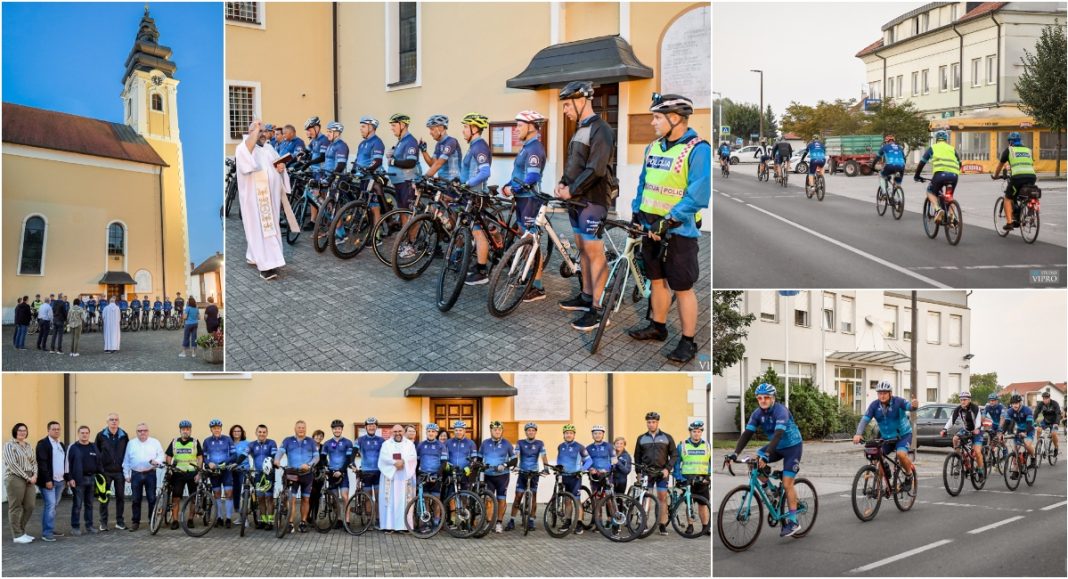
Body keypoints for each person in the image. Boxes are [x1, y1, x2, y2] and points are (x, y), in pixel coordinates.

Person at [628, 93, 709, 363]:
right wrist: (636, 213)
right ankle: (658, 327)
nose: (652, 122)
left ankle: (688, 342)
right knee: (656, 280)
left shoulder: (698, 149)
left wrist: (669, 221)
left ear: (674, 119)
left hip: (678, 231)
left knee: (682, 287)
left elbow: (697, 195)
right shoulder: (653, 148)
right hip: (650, 226)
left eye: (657, 117)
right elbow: (644, 183)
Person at [555, 81, 614, 331]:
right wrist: (562, 183)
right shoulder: (581, 128)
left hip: (593, 200)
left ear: (582, 101)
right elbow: (574, 164)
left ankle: (600, 310)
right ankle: (586, 296)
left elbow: (596, 169)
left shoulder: (601, 129)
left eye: (568, 104)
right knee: (582, 248)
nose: (565, 109)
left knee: (594, 252)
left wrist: (572, 189)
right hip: (577, 201)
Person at [727, 385, 802, 537]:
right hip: (776, 447)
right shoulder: (757, 413)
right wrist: (735, 453)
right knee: (752, 462)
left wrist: (766, 455)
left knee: (787, 484)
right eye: (759, 398)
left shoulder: (781, 411)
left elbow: (778, 434)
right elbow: (747, 434)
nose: (763, 400)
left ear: (773, 398)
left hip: (792, 447)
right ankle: (772, 492)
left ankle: (794, 521)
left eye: (766, 397)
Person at [501, 110, 549, 301]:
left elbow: (532, 176)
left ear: (531, 127)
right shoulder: (527, 147)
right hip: (522, 198)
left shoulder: (535, 148)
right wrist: (509, 185)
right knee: (525, 239)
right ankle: (528, 276)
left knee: (532, 243)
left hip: (529, 199)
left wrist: (513, 189)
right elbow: (520, 174)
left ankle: (537, 286)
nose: (516, 129)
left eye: (520, 125)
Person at [236, 120, 291, 281]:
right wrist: (255, 129)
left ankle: (255, 256)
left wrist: (281, 169)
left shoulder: (268, 147)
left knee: (268, 229)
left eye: (263, 131)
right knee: (261, 230)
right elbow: (247, 165)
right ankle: (266, 266)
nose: (262, 134)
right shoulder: (244, 149)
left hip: (271, 199)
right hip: (255, 201)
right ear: (250, 132)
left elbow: (277, 165)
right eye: (258, 131)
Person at [853, 381, 918, 486]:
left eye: (884, 393)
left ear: (890, 393)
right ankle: (884, 486)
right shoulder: (874, 405)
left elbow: (909, 407)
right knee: (876, 456)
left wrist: (914, 406)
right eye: (880, 393)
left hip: (903, 436)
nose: (882, 396)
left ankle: (909, 475)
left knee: (900, 454)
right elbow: (865, 420)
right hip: (887, 438)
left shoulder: (898, 401)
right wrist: (858, 433)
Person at [457, 112, 495, 286]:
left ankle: (482, 271)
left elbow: (485, 172)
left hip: (476, 195)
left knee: (478, 233)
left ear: (474, 129)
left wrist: (468, 183)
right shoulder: (473, 145)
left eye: (466, 127)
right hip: (469, 194)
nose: (463, 130)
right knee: (474, 230)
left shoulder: (479, 146)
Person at [634, 411, 677, 536]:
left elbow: (674, 455)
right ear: (646, 423)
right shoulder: (641, 438)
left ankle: (662, 524)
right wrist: (638, 472)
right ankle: (644, 522)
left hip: (662, 472)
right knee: (646, 497)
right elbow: (637, 456)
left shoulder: (667, 437)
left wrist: (667, 469)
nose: (651, 424)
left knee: (662, 497)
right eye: (649, 422)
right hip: (647, 472)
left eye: (653, 422)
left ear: (658, 423)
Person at [386, 113, 422, 255]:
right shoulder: (401, 141)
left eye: (394, 125)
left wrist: (393, 161)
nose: (392, 128)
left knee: (410, 214)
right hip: (400, 182)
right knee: (403, 213)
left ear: (403, 125)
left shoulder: (410, 141)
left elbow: (410, 162)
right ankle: (406, 241)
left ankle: (412, 245)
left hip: (408, 181)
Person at [275, 420, 319, 533]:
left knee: (305, 499)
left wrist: (309, 465)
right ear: (295, 429)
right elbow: (280, 451)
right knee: (292, 499)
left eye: (303, 427)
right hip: (292, 473)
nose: (301, 429)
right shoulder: (288, 440)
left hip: (307, 475)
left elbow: (316, 457)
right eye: (299, 427)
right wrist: (277, 460)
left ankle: (303, 522)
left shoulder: (311, 442)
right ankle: (290, 523)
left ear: (306, 429)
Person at [991, 131, 1037, 230]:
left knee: (1008, 197)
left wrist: (995, 176)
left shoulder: (1009, 150)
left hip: (1017, 177)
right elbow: (1026, 163)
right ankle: (1028, 211)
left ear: (1010, 142)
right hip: (1031, 176)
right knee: (1025, 195)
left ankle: (1009, 223)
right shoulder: (1028, 150)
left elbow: (1000, 165)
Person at [506, 422, 547, 532]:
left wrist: (546, 468)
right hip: (522, 472)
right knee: (518, 496)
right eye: (529, 430)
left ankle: (531, 520)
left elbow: (543, 456)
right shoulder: (520, 442)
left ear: (535, 432)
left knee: (533, 496)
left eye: (533, 430)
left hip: (534, 473)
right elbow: (517, 455)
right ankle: (512, 520)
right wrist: (516, 466)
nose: (531, 432)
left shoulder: (539, 443)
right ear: (526, 432)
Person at [122, 422, 164, 531]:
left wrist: (157, 461)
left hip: (150, 473)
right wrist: (126, 474)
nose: (142, 433)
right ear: (136, 432)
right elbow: (126, 460)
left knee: (151, 498)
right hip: (135, 474)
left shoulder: (155, 442)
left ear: (148, 431)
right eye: (140, 431)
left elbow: (161, 455)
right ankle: (135, 522)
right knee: (136, 499)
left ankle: (152, 520)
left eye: (144, 430)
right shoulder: (131, 443)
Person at [913, 130, 961, 224]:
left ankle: (938, 209)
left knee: (930, 191)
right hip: (954, 175)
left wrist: (917, 175)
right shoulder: (952, 148)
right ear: (946, 139)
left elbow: (922, 162)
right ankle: (951, 217)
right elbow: (960, 163)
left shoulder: (933, 148)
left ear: (936, 139)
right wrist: (954, 172)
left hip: (940, 175)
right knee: (949, 196)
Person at [674, 420, 711, 536]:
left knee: (703, 504)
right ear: (690, 432)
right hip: (688, 479)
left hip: (702, 479)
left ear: (701, 432)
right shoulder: (682, 445)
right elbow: (676, 464)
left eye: (699, 431)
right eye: (694, 431)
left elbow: (710, 462)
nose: (696, 434)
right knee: (689, 503)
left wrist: (709, 476)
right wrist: (679, 477)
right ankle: (690, 526)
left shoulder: (707, 445)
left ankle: (705, 527)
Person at [164, 420, 203, 530]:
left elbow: (200, 458)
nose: (185, 431)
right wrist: (169, 467)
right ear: (180, 431)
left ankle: (190, 519)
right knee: (175, 497)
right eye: (183, 429)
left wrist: (199, 472)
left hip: (192, 473)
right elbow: (168, 456)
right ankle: (175, 520)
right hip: (178, 473)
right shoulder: (174, 441)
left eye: (187, 429)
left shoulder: (195, 442)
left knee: (193, 497)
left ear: (190, 430)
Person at [378, 425, 416, 533]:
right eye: (395, 431)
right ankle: (389, 526)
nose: (397, 433)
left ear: (403, 432)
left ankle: (404, 526)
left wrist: (403, 461)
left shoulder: (409, 444)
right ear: (391, 432)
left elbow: (413, 457)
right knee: (389, 502)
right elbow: (383, 458)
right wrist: (395, 463)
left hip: (404, 477)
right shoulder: (386, 444)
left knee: (404, 501)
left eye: (400, 431)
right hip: (391, 476)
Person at [94, 413, 129, 531]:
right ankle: (103, 523)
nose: (114, 422)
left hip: (119, 472)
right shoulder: (100, 436)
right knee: (104, 498)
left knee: (120, 497)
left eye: (116, 420)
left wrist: (126, 470)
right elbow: (96, 453)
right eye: (111, 420)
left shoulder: (124, 436)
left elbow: (127, 453)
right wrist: (99, 470)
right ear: (107, 422)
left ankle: (120, 522)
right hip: (105, 472)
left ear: (119, 422)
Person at [555, 424, 591, 534]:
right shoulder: (560, 446)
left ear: (574, 435)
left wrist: (582, 470)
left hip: (575, 477)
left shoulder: (580, 447)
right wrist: (558, 468)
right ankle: (568, 521)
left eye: (571, 433)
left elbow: (589, 461)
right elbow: (559, 459)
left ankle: (579, 524)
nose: (568, 435)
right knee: (567, 501)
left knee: (577, 500)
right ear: (563, 435)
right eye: (566, 433)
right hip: (564, 477)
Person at [5, 423, 39, 544]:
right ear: (15, 431)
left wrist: (34, 475)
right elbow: (12, 464)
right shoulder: (9, 445)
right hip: (15, 477)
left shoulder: (28, 445)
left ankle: (22, 531)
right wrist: (27, 477)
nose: (22, 432)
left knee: (30, 506)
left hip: (30, 477)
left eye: (24, 430)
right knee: (15, 506)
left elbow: (34, 462)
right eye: (20, 430)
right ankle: (17, 535)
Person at [480, 421, 515, 533]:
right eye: (495, 430)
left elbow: (515, 460)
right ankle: (489, 523)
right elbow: (479, 459)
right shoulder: (485, 443)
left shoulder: (507, 443)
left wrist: (505, 465)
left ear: (502, 431)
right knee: (488, 499)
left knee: (501, 500)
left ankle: (499, 523)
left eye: (499, 430)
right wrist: (480, 467)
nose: (497, 432)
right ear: (491, 431)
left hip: (502, 476)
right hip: (488, 475)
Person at [66, 425, 101, 536]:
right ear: (78, 434)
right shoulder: (73, 447)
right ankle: (75, 527)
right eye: (82, 433)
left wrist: (101, 476)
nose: (84, 435)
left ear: (89, 434)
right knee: (77, 504)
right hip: (78, 480)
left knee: (90, 504)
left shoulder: (94, 447)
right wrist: (69, 478)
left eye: (86, 433)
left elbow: (99, 462)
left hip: (91, 479)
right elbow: (67, 464)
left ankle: (89, 526)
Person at [353, 116, 388, 226]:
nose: (361, 129)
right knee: (365, 205)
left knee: (374, 207)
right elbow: (357, 159)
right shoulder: (362, 143)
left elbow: (377, 161)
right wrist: (353, 170)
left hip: (372, 178)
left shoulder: (377, 142)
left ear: (371, 128)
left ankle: (376, 235)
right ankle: (370, 228)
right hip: (363, 178)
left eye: (363, 126)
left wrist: (367, 169)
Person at [311, 121, 348, 224]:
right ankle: (331, 228)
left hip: (338, 177)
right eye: (327, 131)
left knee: (335, 205)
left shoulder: (341, 146)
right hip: (329, 175)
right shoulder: (331, 145)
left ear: (337, 133)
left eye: (330, 131)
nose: (327, 133)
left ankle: (340, 233)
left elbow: (341, 165)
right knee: (326, 202)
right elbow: (327, 162)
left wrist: (332, 176)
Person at [36, 421, 67, 542]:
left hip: (60, 481)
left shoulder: (60, 444)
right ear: (48, 430)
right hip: (49, 482)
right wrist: (48, 480)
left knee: (53, 506)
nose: (56, 431)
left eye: (58, 429)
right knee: (50, 506)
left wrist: (66, 478)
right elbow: (42, 463)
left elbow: (64, 462)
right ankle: (46, 533)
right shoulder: (43, 444)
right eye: (54, 429)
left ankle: (50, 528)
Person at [203, 418, 237, 528]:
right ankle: (218, 518)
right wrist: (208, 463)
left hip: (226, 470)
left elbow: (234, 455)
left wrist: (225, 462)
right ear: (211, 430)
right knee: (216, 495)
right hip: (213, 472)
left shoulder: (227, 440)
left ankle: (227, 518)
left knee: (229, 494)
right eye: (214, 428)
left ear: (221, 429)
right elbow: (203, 457)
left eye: (218, 428)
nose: (216, 430)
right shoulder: (207, 441)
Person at [941, 391, 984, 474]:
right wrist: (944, 429)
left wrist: (977, 429)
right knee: (955, 439)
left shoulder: (975, 408)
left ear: (969, 400)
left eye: (964, 399)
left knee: (977, 452)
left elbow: (978, 420)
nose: (962, 401)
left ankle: (980, 470)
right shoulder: (959, 409)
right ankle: (960, 459)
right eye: (961, 400)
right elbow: (951, 420)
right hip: (966, 430)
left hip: (977, 430)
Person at [322, 419, 354, 529]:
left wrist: (341, 470)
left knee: (345, 497)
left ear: (342, 429)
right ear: (332, 429)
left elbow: (349, 458)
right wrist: (328, 469)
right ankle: (338, 519)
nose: (337, 430)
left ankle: (347, 520)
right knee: (334, 498)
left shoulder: (347, 442)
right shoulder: (327, 443)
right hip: (332, 474)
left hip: (343, 473)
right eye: (335, 428)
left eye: (339, 428)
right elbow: (322, 458)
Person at [247, 425, 278, 530]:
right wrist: (237, 463)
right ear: (256, 433)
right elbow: (244, 454)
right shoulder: (252, 444)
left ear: (267, 433)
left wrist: (273, 462)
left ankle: (270, 521)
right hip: (258, 474)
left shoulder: (271, 443)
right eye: (260, 432)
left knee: (269, 497)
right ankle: (263, 520)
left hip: (269, 474)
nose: (262, 434)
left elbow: (274, 455)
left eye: (264, 432)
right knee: (260, 498)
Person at [1000, 394, 1037, 474]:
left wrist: (1025, 432)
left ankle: (1033, 458)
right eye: (1013, 404)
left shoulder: (1027, 410)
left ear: (1020, 403)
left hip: (1029, 429)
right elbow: (1006, 423)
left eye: (1016, 403)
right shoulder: (1010, 411)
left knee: (1027, 445)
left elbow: (1029, 424)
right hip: (1019, 430)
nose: (1014, 405)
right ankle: (1016, 470)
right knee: (1015, 449)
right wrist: (1002, 433)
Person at [418, 114, 461, 181]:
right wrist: (424, 151)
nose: (430, 133)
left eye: (432, 129)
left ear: (440, 128)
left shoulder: (451, 141)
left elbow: (438, 164)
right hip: (443, 182)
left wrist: (424, 178)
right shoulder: (438, 144)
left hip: (453, 182)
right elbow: (433, 165)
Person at [355, 417, 384, 502]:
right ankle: (369, 515)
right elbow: (353, 452)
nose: (371, 428)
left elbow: (387, 454)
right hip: (365, 471)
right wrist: (352, 463)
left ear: (376, 427)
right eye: (369, 426)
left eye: (373, 426)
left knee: (379, 498)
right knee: (368, 498)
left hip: (378, 471)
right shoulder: (360, 440)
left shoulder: (381, 440)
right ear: (366, 427)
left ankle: (378, 516)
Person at [416, 423, 448, 500]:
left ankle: (438, 512)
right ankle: (427, 512)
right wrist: (417, 473)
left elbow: (444, 462)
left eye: (433, 431)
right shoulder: (421, 445)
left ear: (436, 433)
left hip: (436, 475)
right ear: (426, 432)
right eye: (429, 431)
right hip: (423, 475)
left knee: (436, 499)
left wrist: (437, 474)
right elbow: (417, 461)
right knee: (425, 498)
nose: (431, 433)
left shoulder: (441, 445)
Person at [445, 420, 477, 492]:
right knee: (451, 496)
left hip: (465, 473)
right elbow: (444, 457)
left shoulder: (471, 443)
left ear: (464, 431)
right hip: (451, 472)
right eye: (456, 430)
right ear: (453, 431)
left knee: (464, 495)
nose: (458, 432)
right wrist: (446, 465)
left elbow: (474, 458)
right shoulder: (448, 442)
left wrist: (469, 467)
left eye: (460, 430)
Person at [586, 425, 615, 500]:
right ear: (592, 435)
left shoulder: (609, 446)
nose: (597, 435)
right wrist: (590, 469)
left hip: (607, 475)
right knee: (597, 497)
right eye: (595, 433)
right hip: (594, 475)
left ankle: (612, 512)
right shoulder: (588, 448)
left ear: (603, 434)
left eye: (599, 433)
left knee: (609, 497)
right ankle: (597, 512)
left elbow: (614, 460)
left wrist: (607, 469)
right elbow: (585, 461)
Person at [229, 425, 250, 528]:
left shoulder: (246, 443)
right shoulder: (229, 443)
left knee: (243, 494)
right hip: (232, 471)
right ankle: (239, 515)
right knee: (235, 493)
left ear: (242, 433)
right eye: (235, 431)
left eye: (239, 431)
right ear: (232, 432)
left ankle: (245, 518)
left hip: (243, 470)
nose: (237, 433)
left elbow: (245, 455)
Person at [1034, 391, 1061, 458]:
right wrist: (1032, 421)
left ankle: (1056, 448)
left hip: (1054, 422)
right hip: (1045, 421)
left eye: (1046, 398)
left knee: (1053, 434)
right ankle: (1040, 446)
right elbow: (1036, 413)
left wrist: (1057, 423)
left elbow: (1058, 414)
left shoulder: (1055, 404)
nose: (1045, 400)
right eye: (1044, 398)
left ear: (1049, 398)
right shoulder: (1041, 404)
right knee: (1038, 430)